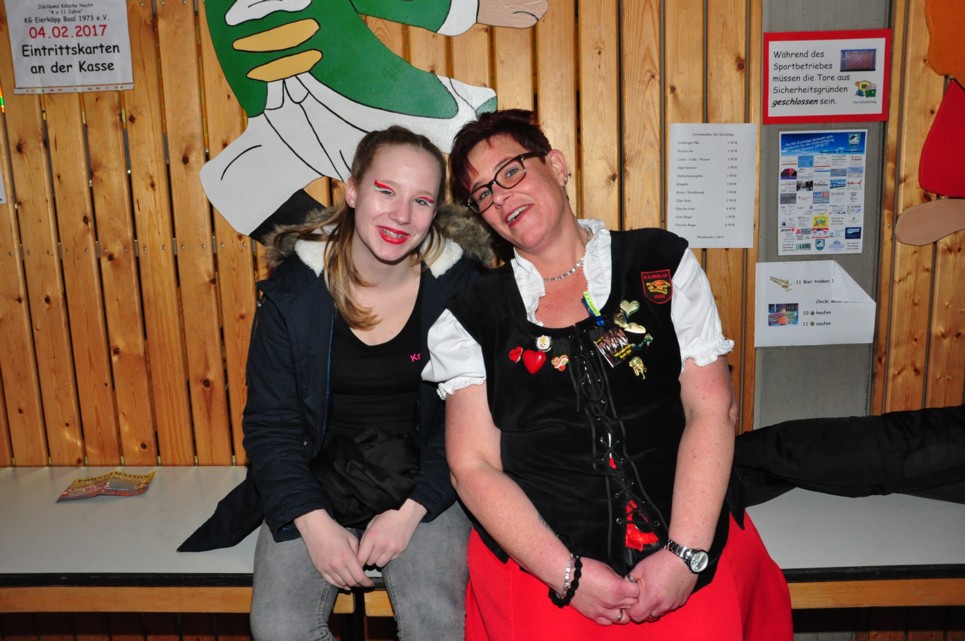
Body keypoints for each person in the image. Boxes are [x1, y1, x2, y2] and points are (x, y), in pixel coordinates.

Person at [422, 110, 793, 640]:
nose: (500, 197)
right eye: (482, 193)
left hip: (689, 551)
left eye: (511, 171)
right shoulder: (470, 317)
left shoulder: (660, 264)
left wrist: (685, 555)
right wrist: (567, 575)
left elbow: (711, 409)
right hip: (546, 572)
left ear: (556, 165)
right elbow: (472, 465)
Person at [180, 126, 492, 641]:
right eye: (386, 191)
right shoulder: (294, 293)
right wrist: (312, 522)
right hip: (314, 481)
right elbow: (271, 425)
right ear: (352, 191)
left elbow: (469, 425)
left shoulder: (463, 291)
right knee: (280, 627)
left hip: (426, 485)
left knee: (437, 622)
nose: (401, 215)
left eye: (420, 200)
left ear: (435, 211)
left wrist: (411, 512)